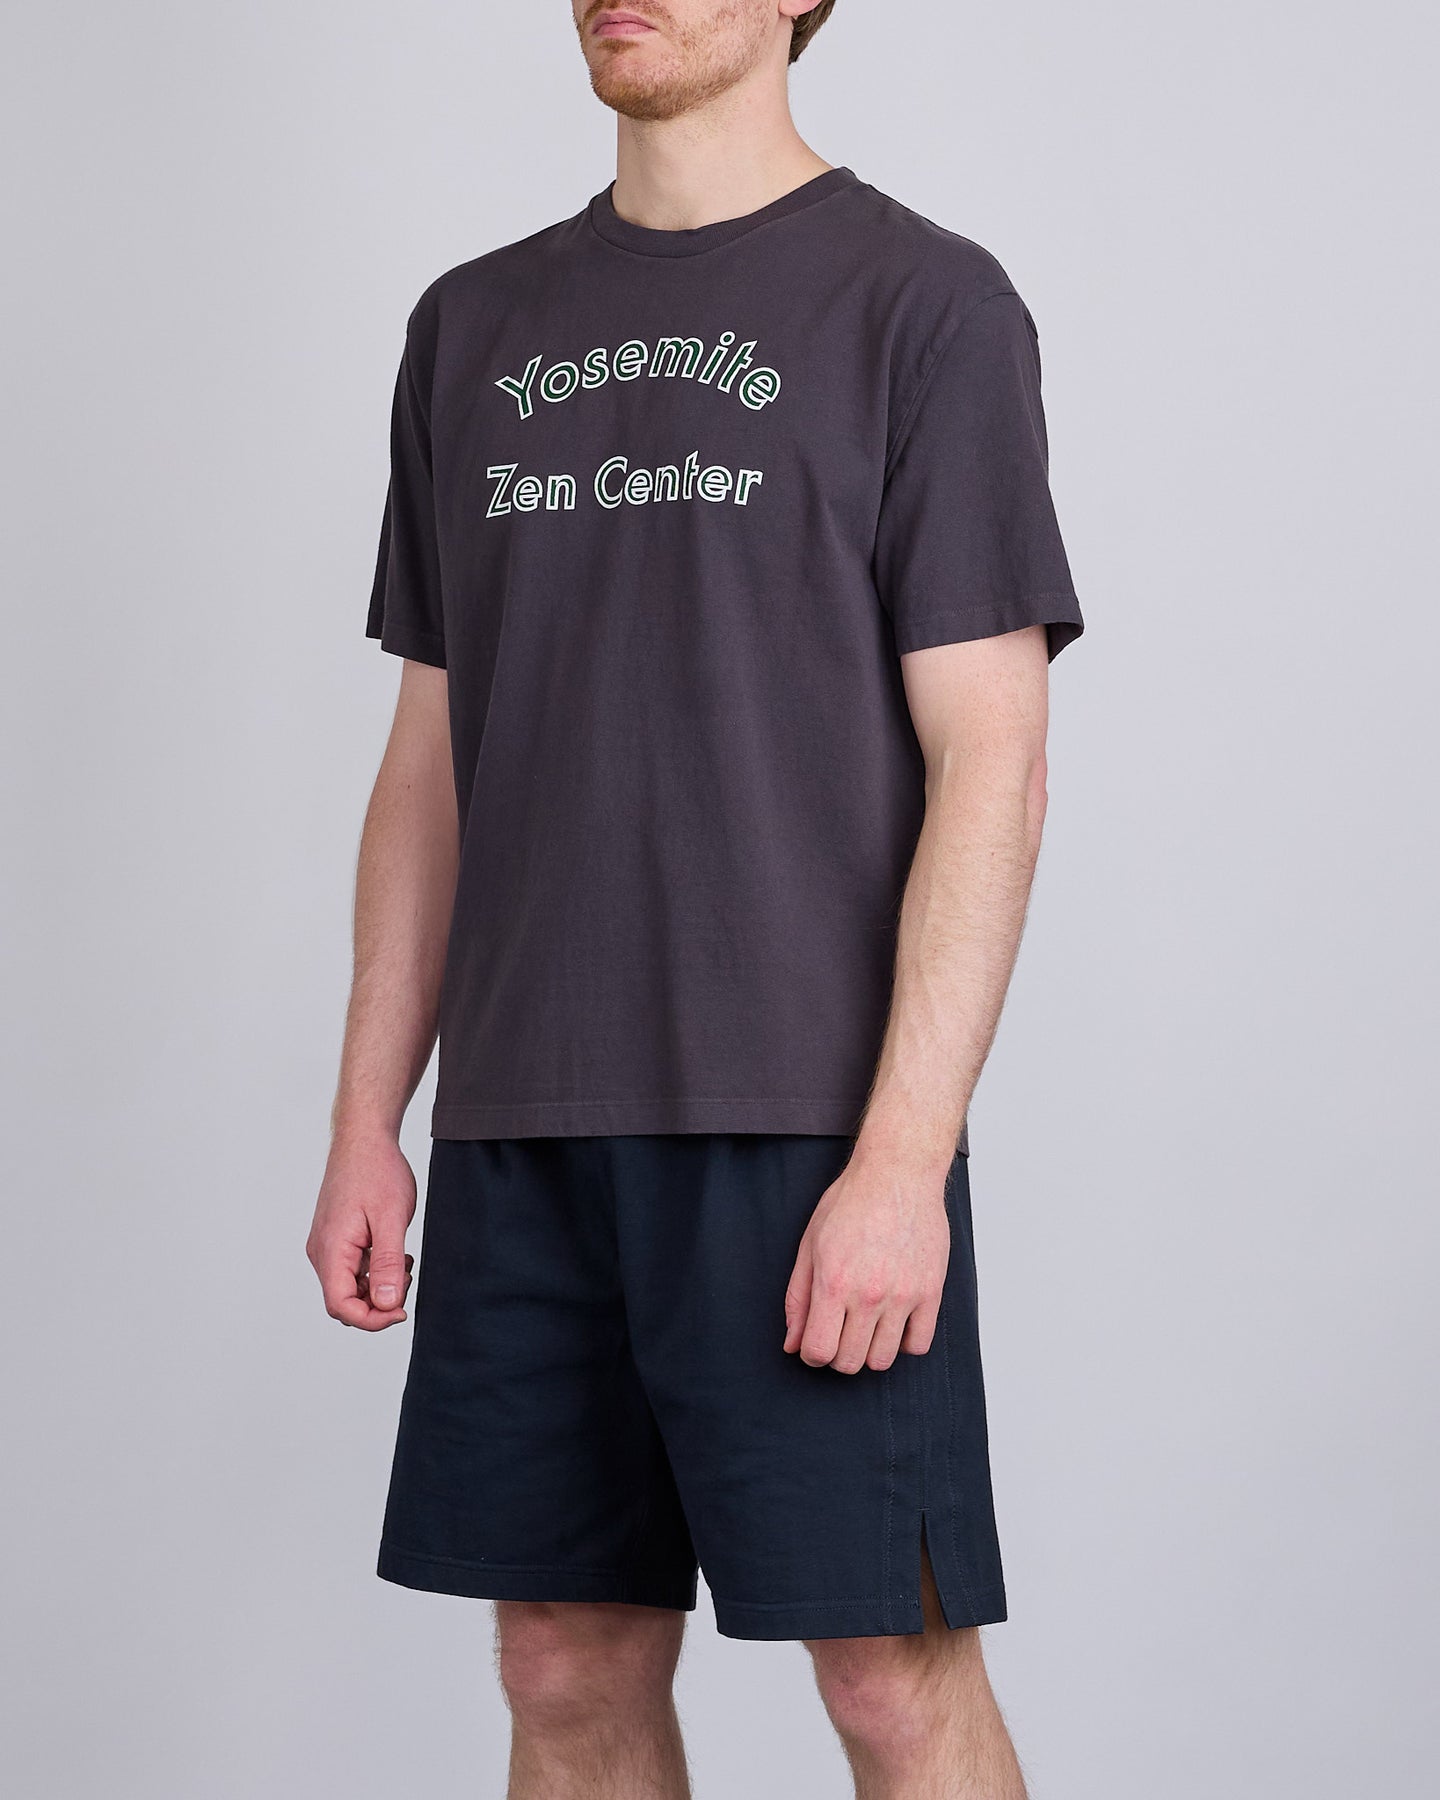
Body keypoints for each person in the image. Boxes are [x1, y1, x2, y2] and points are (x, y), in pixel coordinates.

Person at [306, 3, 1084, 1794]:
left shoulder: (926, 306)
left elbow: (994, 761)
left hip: (802, 1129)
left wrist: (902, 1165)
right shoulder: (471, 326)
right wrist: (368, 1120)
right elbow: (428, 764)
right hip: (522, 1130)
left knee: (888, 1677)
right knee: (562, 1667)